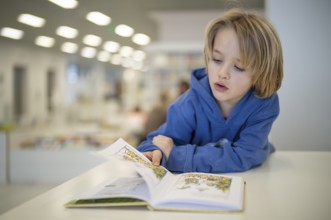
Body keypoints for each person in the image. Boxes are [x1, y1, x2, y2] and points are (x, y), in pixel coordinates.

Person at [137, 8, 283, 173]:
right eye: (217, 59)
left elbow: (245, 155)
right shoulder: (188, 103)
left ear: (261, 74)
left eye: (239, 67)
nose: (222, 73)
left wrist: (175, 157)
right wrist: (155, 153)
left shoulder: (264, 105)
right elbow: (155, 143)